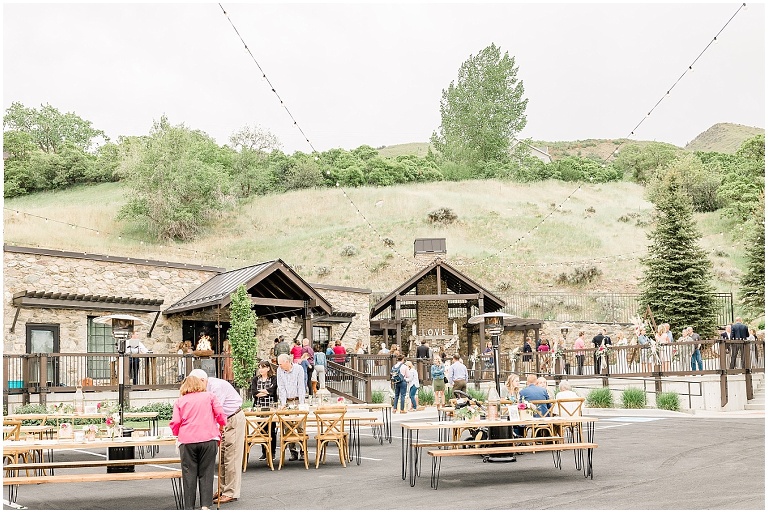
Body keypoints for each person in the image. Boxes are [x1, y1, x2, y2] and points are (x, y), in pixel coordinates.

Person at [188, 369, 245, 505]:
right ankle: (222, 488)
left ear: (202, 380)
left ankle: (230, 492)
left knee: (232, 456)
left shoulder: (216, 387)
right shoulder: (204, 388)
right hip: (224, 420)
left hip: (232, 418)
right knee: (223, 456)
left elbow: (214, 409)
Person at [170, 374, 226, 510]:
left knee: (189, 473)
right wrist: (222, 426)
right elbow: (220, 414)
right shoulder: (210, 396)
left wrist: (177, 433)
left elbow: (176, 421)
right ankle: (205, 505)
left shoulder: (180, 401)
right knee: (206, 472)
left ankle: (189, 506)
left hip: (187, 440)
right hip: (209, 438)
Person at [275, 353, 306, 460]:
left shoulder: (299, 369)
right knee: (287, 427)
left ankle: (303, 451)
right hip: (287, 401)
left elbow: (301, 386)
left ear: (287, 362)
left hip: (297, 400)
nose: (279, 366)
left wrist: (301, 404)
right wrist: (283, 403)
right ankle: (293, 452)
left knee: (300, 426)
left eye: (280, 363)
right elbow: (281, 387)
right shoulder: (280, 370)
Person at [250, 361, 277, 461]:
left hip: (270, 406)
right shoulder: (255, 379)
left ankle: (272, 451)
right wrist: (266, 392)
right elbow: (254, 392)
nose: (261, 369)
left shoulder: (273, 378)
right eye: (260, 367)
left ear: (268, 368)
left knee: (271, 430)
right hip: (259, 406)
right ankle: (264, 452)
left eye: (263, 367)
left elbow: (272, 390)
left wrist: (265, 392)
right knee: (261, 430)